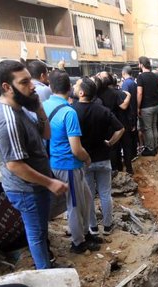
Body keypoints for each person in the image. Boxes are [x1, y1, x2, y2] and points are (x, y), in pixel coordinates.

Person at [0, 59, 68, 269]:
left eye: (30, 81)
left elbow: (46, 133)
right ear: (6, 87)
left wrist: (38, 107)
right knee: (36, 234)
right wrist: (50, 183)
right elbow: (15, 165)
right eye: (24, 82)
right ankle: (46, 273)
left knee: (40, 230)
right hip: (27, 189)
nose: (32, 86)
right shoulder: (8, 120)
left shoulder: (21, 109)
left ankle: (46, 266)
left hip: (35, 186)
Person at [43, 70, 97, 254]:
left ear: (51, 87)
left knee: (86, 198)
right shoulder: (68, 112)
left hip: (56, 161)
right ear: (68, 88)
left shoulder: (44, 106)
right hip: (68, 164)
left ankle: (85, 232)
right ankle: (78, 242)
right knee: (74, 205)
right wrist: (87, 157)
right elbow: (76, 148)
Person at [73, 78, 124, 237]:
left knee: (88, 196)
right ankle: (108, 226)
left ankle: (93, 227)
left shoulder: (72, 111)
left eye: (76, 86)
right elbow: (120, 129)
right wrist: (110, 143)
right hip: (103, 157)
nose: (74, 87)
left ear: (81, 92)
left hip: (84, 159)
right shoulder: (102, 110)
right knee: (105, 194)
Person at [95, 72, 131, 173]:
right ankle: (121, 169)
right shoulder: (115, 93)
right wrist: (128, 96)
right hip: (114, 122)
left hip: (106, 124)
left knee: (112, 148)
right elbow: (123, 106)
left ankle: (115, 169)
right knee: (118, 147)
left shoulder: (97, 93)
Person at [136, 56, 158, 156]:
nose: (138, 65)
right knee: (154, 126)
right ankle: (154, 146)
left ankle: (151, 149)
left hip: (146, 107)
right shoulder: (156, 76)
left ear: (141, 65)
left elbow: (139, 93)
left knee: (148, 128)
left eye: (138, 63)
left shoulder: (141, 77)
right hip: (156, 105)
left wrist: (138, 107)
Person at [120, 66, 138, 174]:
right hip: (134, 110)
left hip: (128, 112)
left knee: (129, 136)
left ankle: (131, 155)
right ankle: (134, 153)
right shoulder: (134, 83)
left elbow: (124, 99)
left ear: (123, 73)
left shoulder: (126, 84)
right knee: (134, 133)